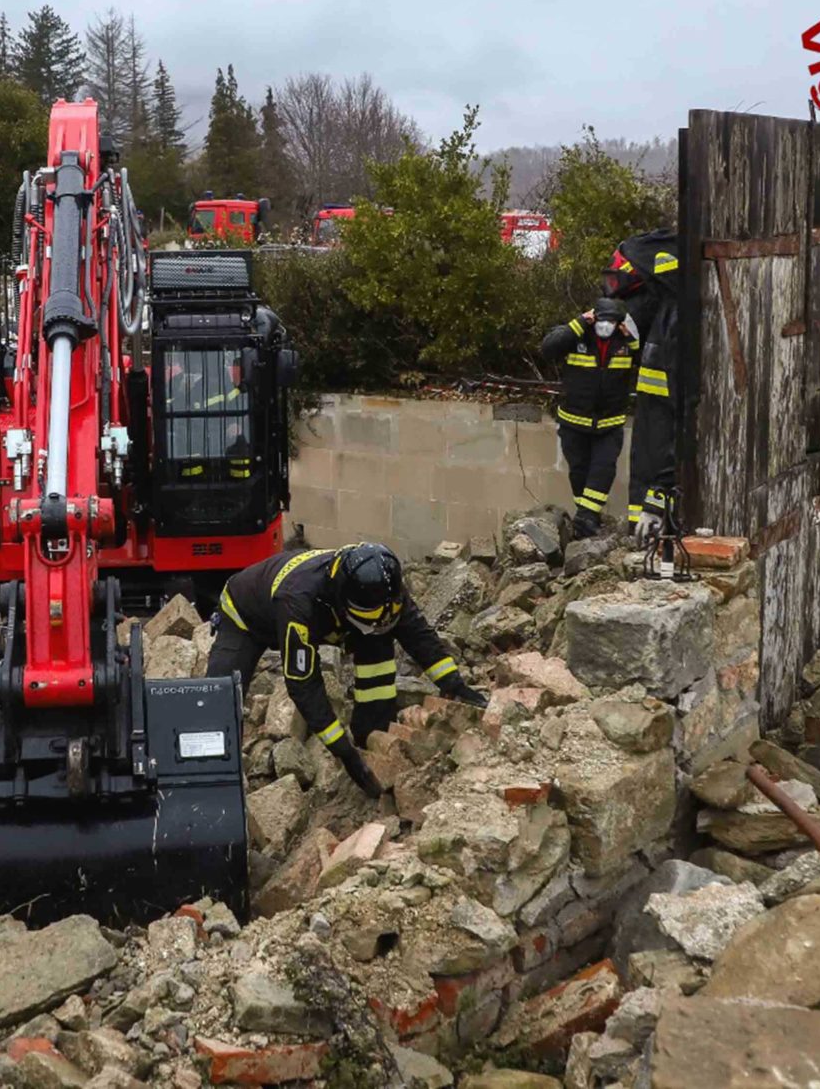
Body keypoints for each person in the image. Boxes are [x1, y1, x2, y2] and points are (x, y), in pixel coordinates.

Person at [205, 543, 488, 797]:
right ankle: (214, 778)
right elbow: (303, 683)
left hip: (334, 617)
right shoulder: (299, 601)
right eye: (369, 619)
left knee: (377, 642)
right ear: (343, 599)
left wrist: (454, 684)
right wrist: (343, 751)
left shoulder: (384, 588)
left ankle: (372, 736)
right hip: (246, 616)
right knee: (220, 697)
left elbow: (416, 633)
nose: (378, 624)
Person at [540, 297, 639, 538]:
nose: (606, 326)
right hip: (574, 423)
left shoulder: (625, 343)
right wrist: (579, 323)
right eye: (602, 321)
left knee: (603, 471)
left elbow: (646, 360)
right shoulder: (577, 336)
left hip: (609, 424)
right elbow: (548, 349)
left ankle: (586, 518)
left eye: (612, 322)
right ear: (593, 318)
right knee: (579, 474)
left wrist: (633, 340)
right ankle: (587, 517)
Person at [604, 231, 681, 538]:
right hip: (650, 485)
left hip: (664, 501)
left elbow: (681, 428)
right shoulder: (661, 326)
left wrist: (658, 498)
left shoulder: (676, 329)